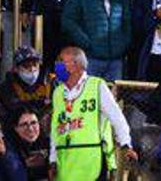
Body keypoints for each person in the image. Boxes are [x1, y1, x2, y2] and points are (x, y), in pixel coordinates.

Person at [48, 46, 137, 180]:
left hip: (92, 159)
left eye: (61, 61)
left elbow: (117, 117)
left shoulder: (97, 86)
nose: (57, 65)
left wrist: (126, 144)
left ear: (76, 65)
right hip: (65, 162)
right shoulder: (57, 92)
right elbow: (55, 129)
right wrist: (53, 159)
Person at [59, 0, 132, 82]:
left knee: (112, 101)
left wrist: (123, 44)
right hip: (90, 57)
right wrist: (87, 43)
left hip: (116, 59)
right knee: (89, 97)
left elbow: (127, 22)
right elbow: (68, 21)